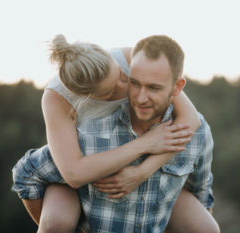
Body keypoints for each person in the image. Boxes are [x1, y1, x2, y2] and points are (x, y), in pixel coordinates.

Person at [12, 35, 219, 233]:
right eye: (111, 92)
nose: (126, 86)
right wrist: (145, 143)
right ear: (87, 97)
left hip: (142, 162)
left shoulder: (130, 57)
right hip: (82, 168)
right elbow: (74, 174)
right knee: (57, 223)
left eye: (123, 75)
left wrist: (142, 172)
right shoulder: (57, 100)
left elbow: (190, 120)